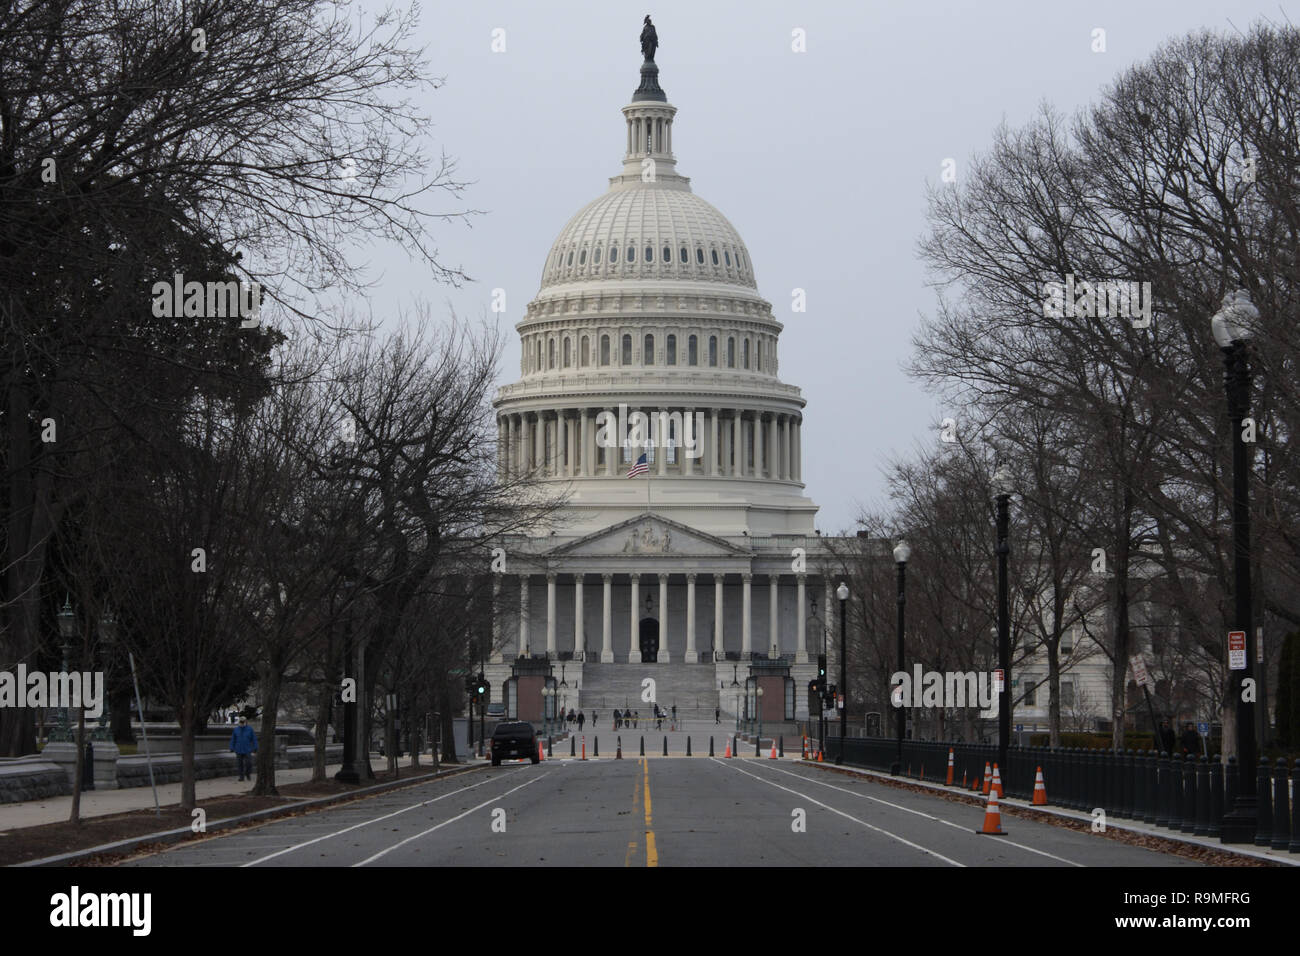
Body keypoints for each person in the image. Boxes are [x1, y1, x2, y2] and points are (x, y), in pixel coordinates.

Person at [230, 715, 258, 781]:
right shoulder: (236, 730)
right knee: (240, 764)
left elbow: (254, 739)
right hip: (238, 749)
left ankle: (247, 773)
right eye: (241, 722)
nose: (242, 723)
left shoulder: (250, 729)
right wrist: (232, 747)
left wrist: (255, 747)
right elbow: (233, 739)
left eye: (243, 722)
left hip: (247, 749)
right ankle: (241, 776)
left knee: (249, 763)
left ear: (245, 722)